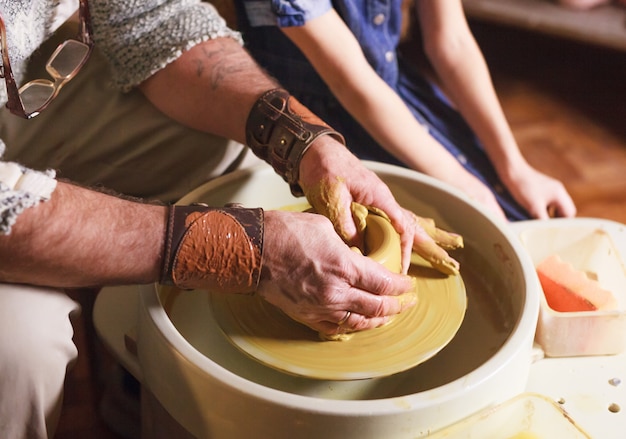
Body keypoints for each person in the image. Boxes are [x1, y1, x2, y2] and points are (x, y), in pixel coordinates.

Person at [0, 0, 463, 437]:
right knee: (20, 353)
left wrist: (304, 142)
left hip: (27, 80)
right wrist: (244, 252)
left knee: (225, 142)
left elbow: (153, 16)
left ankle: (136, 378)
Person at [233, 0, 578, 221]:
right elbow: (350, 81)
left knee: (518, 216)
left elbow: (452, 42)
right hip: (316, 121)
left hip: (392, 91)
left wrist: (515, 167)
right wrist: (463, 185)